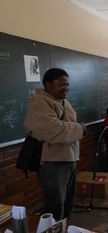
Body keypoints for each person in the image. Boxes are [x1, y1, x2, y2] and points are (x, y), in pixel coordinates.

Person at [23, 68, 87, 221]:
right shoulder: (39, 101)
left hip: (68, 158)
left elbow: (66, 125)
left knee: (68, 201)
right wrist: (80, 129)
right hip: (53, 162)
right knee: (55, 204)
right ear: (48, 85)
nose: (66, 88)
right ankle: (54, 229)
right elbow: (53, 129)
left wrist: (76, 129)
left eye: (67, 85)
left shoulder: (61, 100)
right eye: (61, 85)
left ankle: (63, 228)